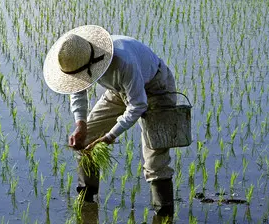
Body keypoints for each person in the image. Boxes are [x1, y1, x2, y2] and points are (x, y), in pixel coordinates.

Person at [43, 25, 177, 211]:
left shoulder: (123, 61)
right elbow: (78, 90)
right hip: (119, 91)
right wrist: (81, 123)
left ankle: (163, 214)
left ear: (91, 63)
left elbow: (138, 104)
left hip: (157, 88)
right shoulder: (78, 60)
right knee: (88, 139)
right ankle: (87, 199)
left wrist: (110, 136)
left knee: (155, 157)